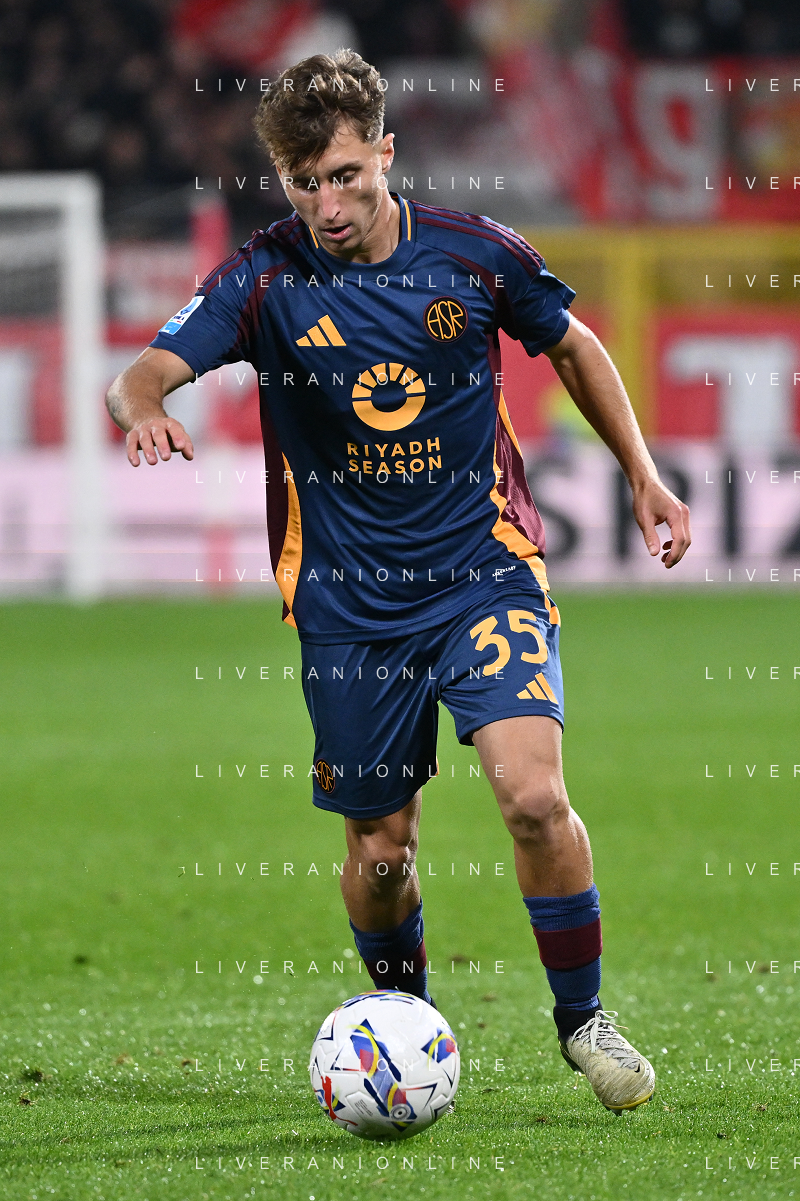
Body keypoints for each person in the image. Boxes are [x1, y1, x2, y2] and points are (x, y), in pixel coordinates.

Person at [106, 49, 691, 1114]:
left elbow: (574, 347)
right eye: (304, 183)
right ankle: (406, 1029)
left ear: (385, 152)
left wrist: (643, 477)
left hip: (481, 573)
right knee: (381, 851)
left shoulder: (474, 255)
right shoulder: (265, 277)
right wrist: (145, 407)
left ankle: (583, 1019)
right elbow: (141, 372)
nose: (327, 206)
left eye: (344, 176)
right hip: (347, 606)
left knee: (533, 797)